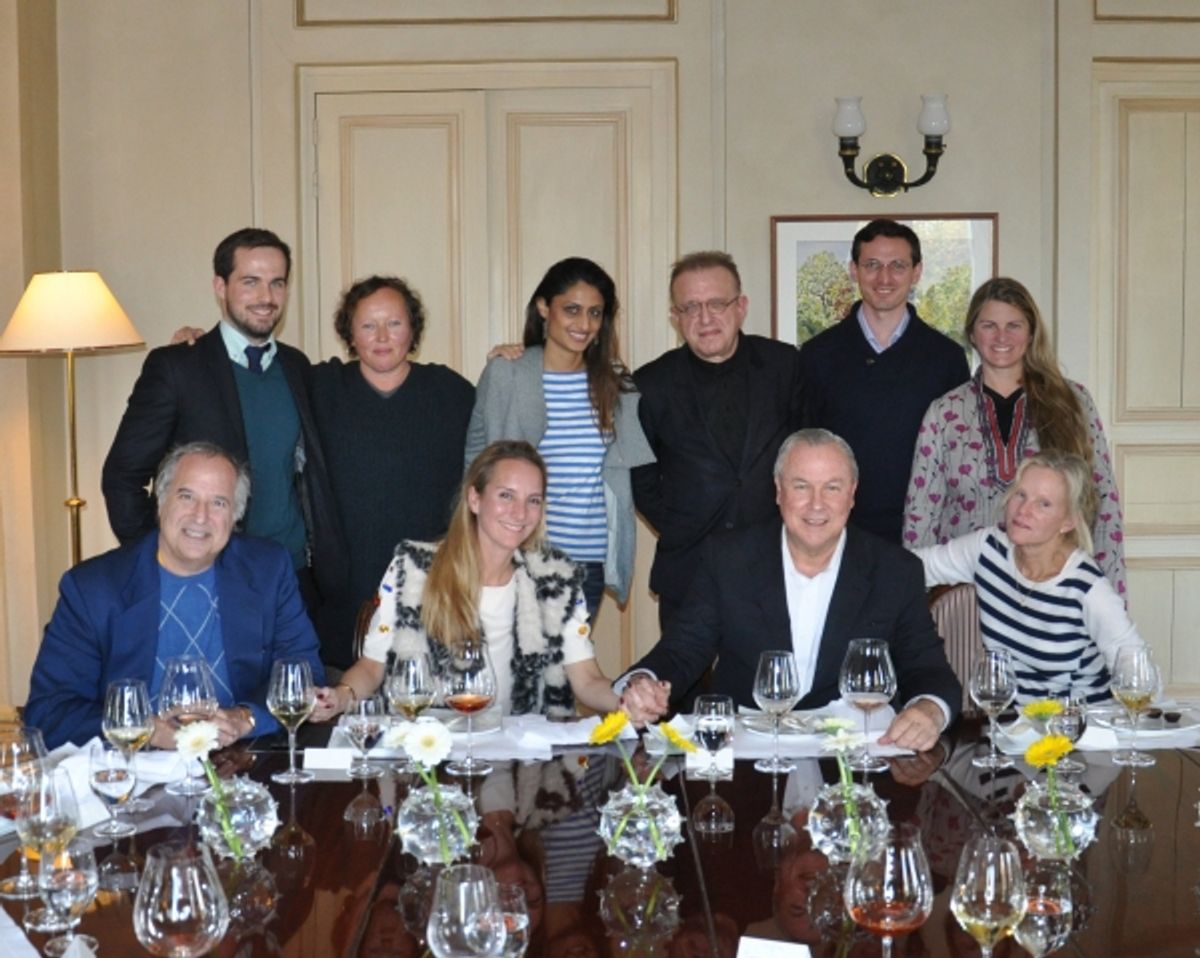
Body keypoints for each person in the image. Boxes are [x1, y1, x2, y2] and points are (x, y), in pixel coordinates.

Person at [622, 429, 962, 753]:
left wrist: (930, 709)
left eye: (832, 487)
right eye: (801, 486)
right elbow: (684, 648)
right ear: (778, 490)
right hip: (747, 752)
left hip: (852, 755)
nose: (817, 505)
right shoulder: (727, 558)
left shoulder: (895, 570)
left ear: (852, 493)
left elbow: (926, 666)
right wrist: (645, 681)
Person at [311, 441, 650, 722]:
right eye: (506, 496)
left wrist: (628, 697)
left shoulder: (555, 579)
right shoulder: (414, 568)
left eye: (533, 501)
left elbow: (588, 680)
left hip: (519, 758)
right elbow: (372, 667)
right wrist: (340, 698)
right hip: (427, 752)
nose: (520, 513)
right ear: (474, 499)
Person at [101, 227, 342, 612]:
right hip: (210, 576)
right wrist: (164, 561)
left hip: (292, 576)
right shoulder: (178, 367)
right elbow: (122, 477)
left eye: (277, 283)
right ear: (220, 285)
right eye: (250, 282)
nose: (266, 298)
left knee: (298, 675)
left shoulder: (297, 367)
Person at [26, 442, 325, 750]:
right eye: (187, 497)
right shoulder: (93, 588)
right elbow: (49, 712)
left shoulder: (267, 570)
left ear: (235, 516)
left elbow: (303, 672)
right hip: (134, 771)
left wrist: (245, 718)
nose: (200, 516)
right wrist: (147, 729)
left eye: (219, 503)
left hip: (240, 764)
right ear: (161, 502)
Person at [904, 276, 1126, 596]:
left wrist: (1110, 597)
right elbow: (920, 518)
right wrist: (915, 606)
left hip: (1056, 594)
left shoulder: (1073, 403)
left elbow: (1102, 503)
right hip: (966, 597)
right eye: (989, 325)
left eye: (1014, 325)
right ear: (972, 333)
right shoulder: (945, 413)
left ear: (1032, 332)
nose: (1001, 337)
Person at [466, 258, 654, 624]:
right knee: (513, 675)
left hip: (589, 564)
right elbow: (476, 464)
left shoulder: (616, 382)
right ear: (543, 307)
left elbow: (628, 471)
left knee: (567, 676)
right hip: (521, 557)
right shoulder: (507, 374)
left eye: (595, 313)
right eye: (572, 310)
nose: (584, 325)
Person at [631, 250, 804, 636]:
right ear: (675, 317)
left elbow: (805, 454)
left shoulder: (785, 365)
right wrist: (682, 526)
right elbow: (640, 478)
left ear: (741, 307)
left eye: (716, 304)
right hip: (689, 566)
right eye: (690, 307)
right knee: (682, 687)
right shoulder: (648, 385)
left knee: (770, 686)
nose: (704, 318)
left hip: (775, 562)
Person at [309, 275, 475, 667]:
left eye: (394, 323)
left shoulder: (452, 392)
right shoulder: (321, 387)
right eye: (368, 325)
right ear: (350, 334)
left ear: (413, 330)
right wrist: (196, 348)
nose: (382, 336)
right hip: (343, 586)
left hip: (431, 583)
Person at [912, 451, 1144, 704]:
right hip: (1015, 730)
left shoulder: (1088, 588)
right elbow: (907, 568)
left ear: (1068, 522)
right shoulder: (987, 549)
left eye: (1043, 504)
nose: (1023, 510)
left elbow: (1138, 674)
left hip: (1081, 732)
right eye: (1020, 495)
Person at [797, 219, 969, 543]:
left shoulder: (946, 359)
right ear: (853, 270)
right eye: (872, 265)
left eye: (898, 266)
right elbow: (805, 449)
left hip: (922, 537)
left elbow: (957, 460)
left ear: (916, 272)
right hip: (837, 535)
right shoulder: (816, 356)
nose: (884, 278)